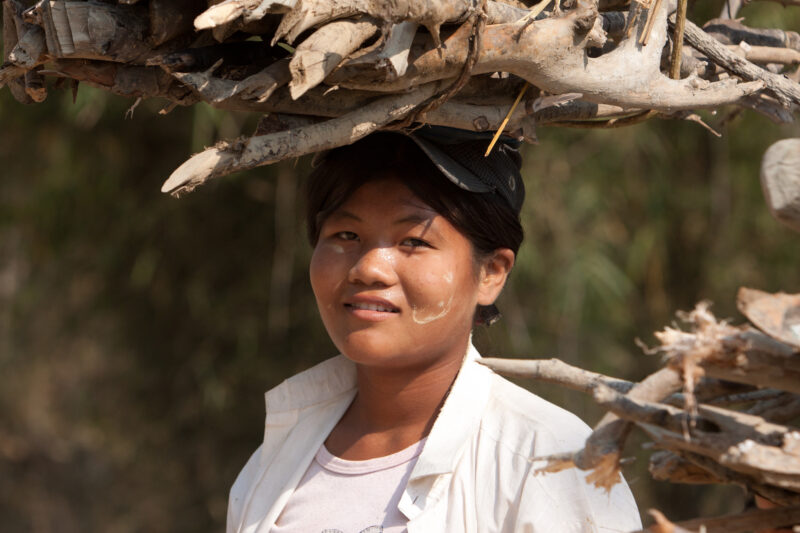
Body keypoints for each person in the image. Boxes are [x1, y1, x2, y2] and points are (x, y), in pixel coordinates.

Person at [226, 127, 642, 533]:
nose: (368, 268)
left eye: (413, 241)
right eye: (346, 234)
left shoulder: (550, 461)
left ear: (491, 274)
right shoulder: (274, 462)